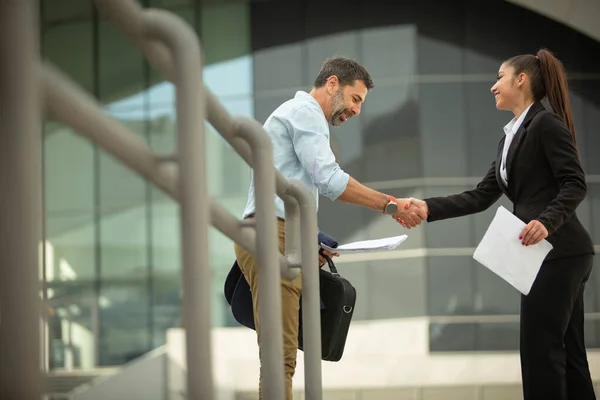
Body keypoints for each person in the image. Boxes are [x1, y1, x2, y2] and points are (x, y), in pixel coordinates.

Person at [403, 49, 596, 400]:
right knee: (567, 352)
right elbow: (480, 196)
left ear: (521, 80)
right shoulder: (509, 137)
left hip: (558, 252)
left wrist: (546, 222)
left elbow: (575, 183)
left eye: (499, 77)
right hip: (544, 256)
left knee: (541, 352)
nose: (493, 87)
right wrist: (426, 207)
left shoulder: (545, 124)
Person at [233, 56, 427, 400]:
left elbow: (299, 188)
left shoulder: (297, 115)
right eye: (356, 100)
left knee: (283, 356)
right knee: (281, 358)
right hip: (273, 234)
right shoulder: (306, 113)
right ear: (333, 83)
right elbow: (330, 180)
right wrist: (390, 205)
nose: (356, 111)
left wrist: (311, 240)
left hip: (283, 233)